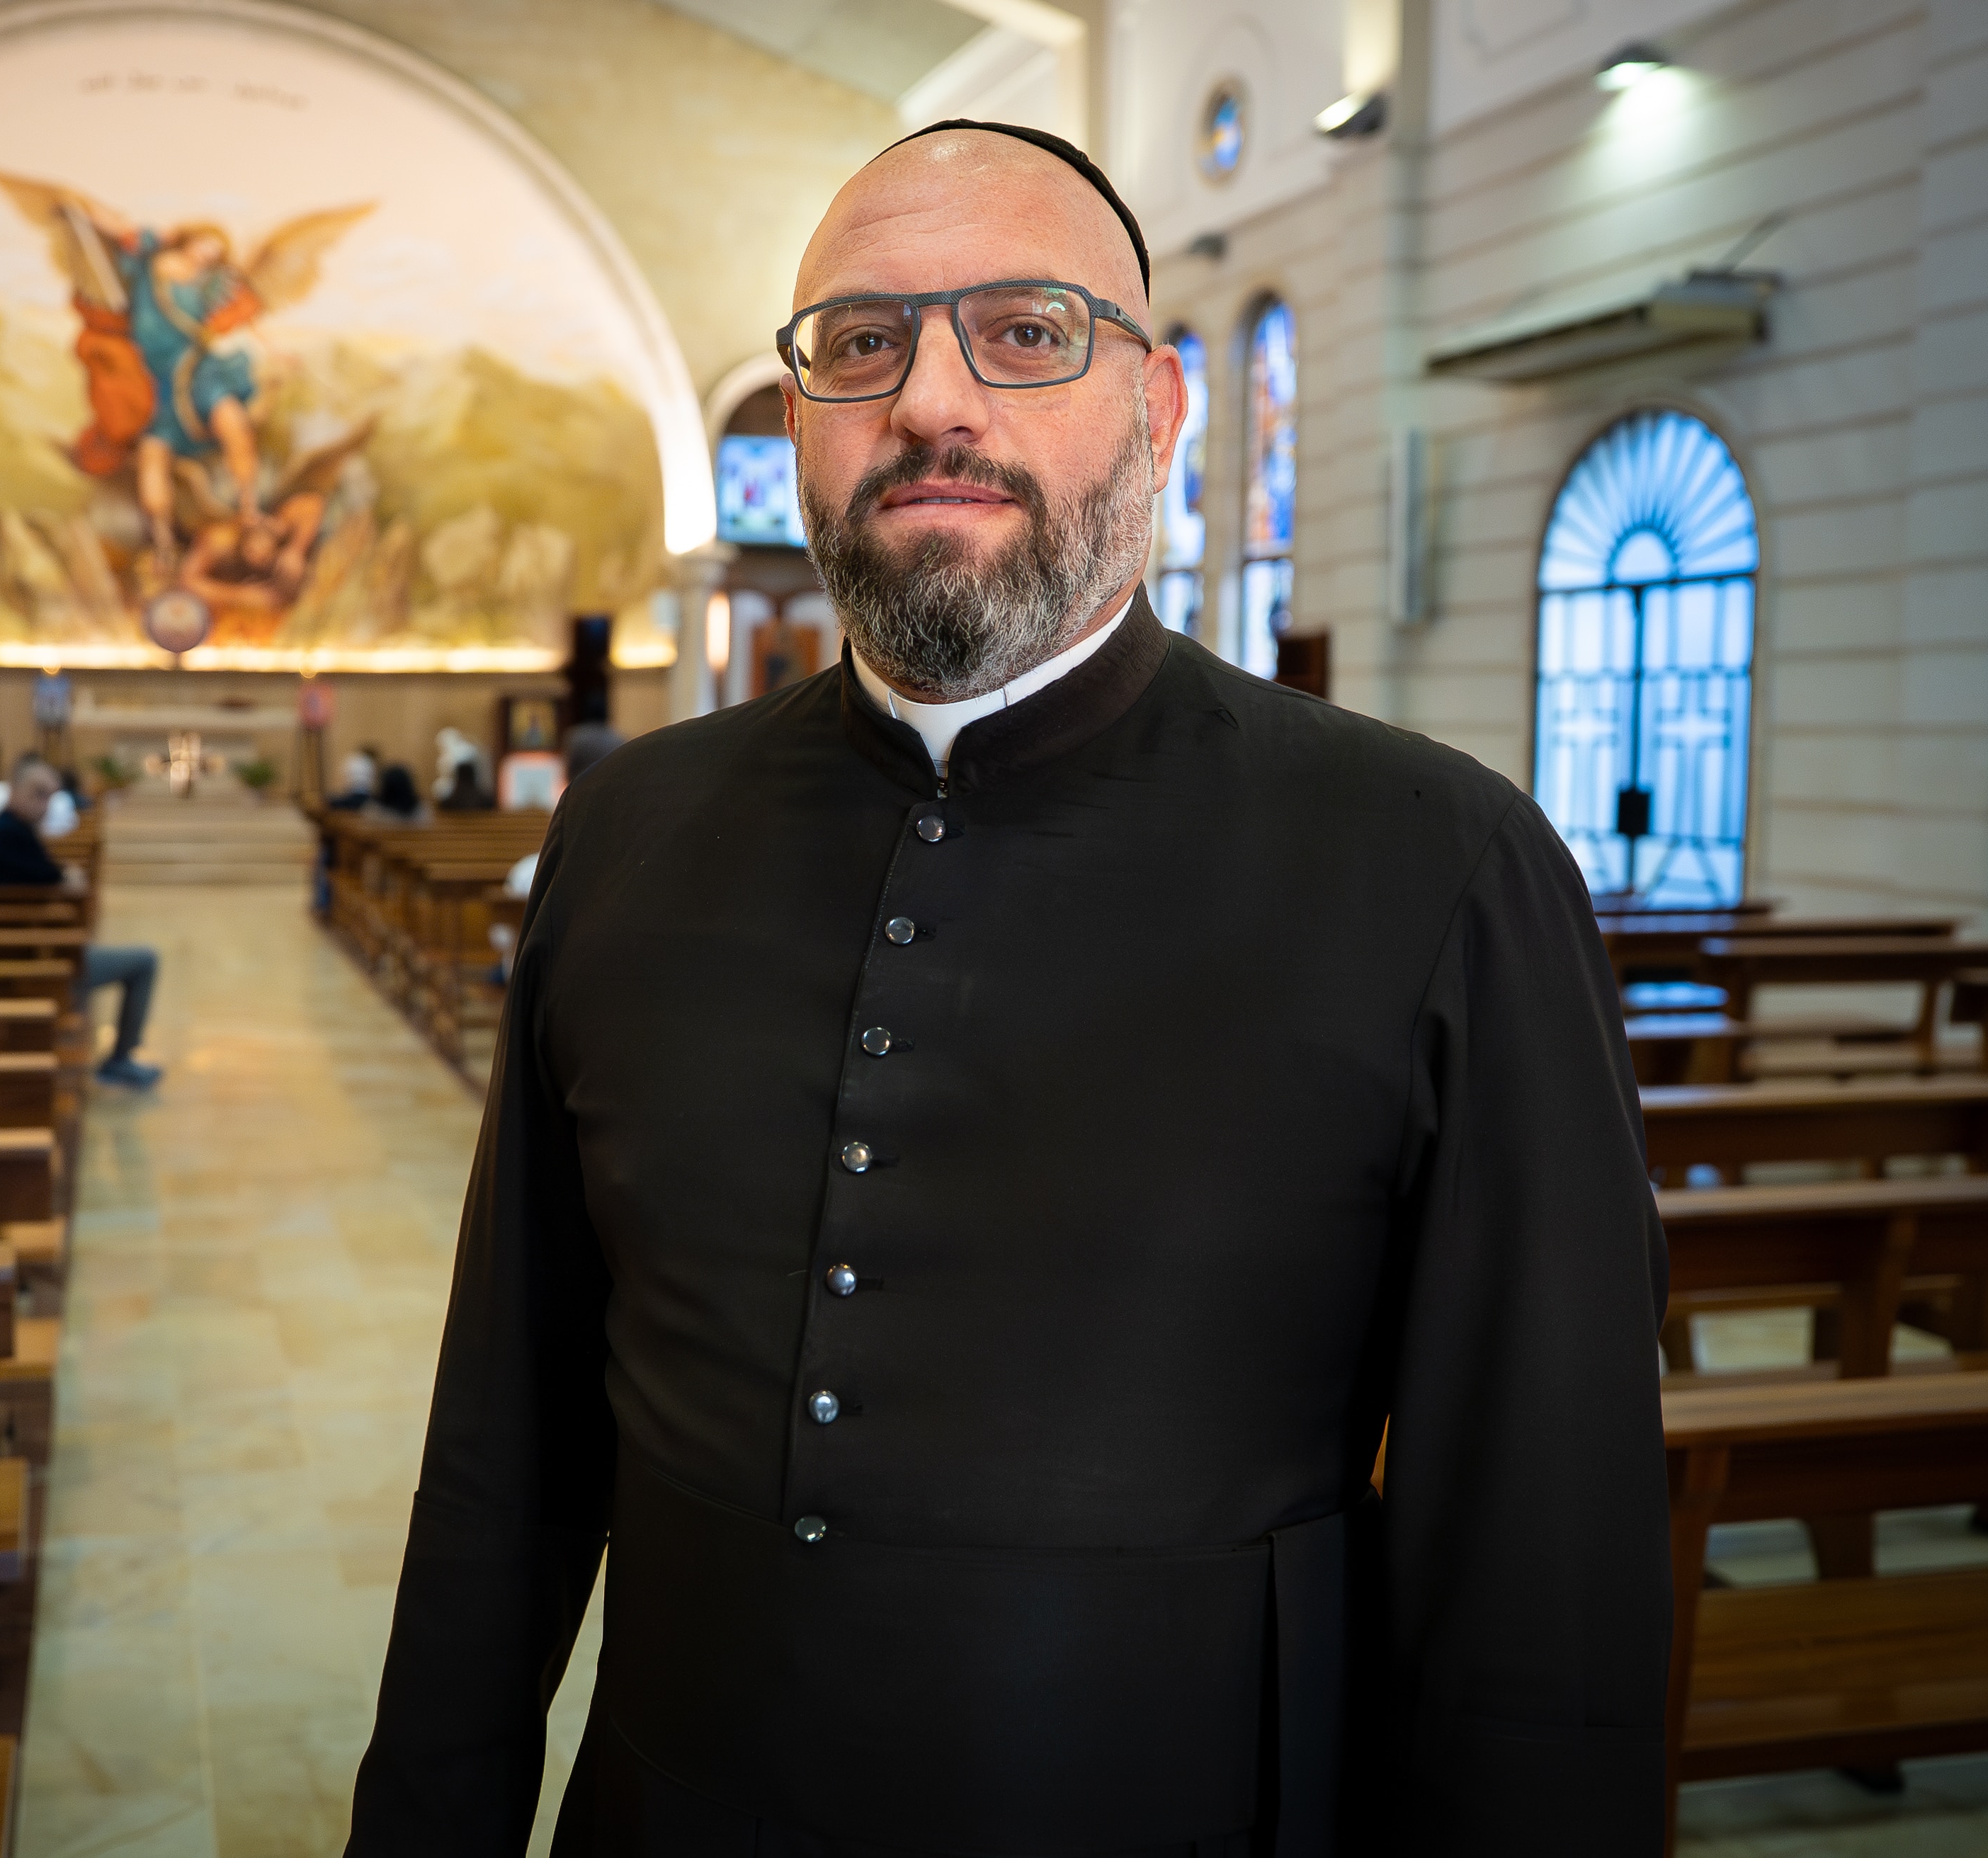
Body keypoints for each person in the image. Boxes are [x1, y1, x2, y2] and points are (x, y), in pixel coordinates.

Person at [347, 121, 1669, 1857]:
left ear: (1161, 410)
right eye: (860, 341)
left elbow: (1539, 1561)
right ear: (802, 417)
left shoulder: (1442, 865)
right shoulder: (629, 833)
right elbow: (506, 1441)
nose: (931, 401)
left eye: (1028, 330)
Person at [0, 753, 163, 1090]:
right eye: (36, 794)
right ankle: (119, 1061)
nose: (43, 805)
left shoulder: (4, 830)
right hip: (32, 967)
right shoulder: (9, 836)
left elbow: (49, 876)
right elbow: (62, 880)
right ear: (12, 790)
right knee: (145, 961)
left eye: (49, 796)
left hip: (16, 954)